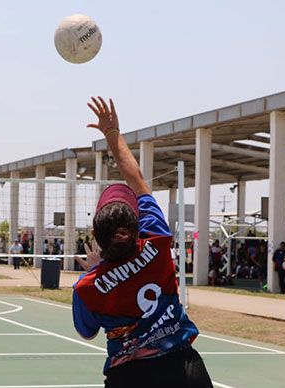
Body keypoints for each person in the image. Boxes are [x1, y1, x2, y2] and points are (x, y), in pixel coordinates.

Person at [72, 97, 212, 387]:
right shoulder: (157, 241)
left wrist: (95, 271)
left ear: (97, 239)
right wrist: (113, 134)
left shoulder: (87, 287)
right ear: (138, 226)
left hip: (129, 375)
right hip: (183, 368)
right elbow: (136, 179)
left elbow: (87, 333)